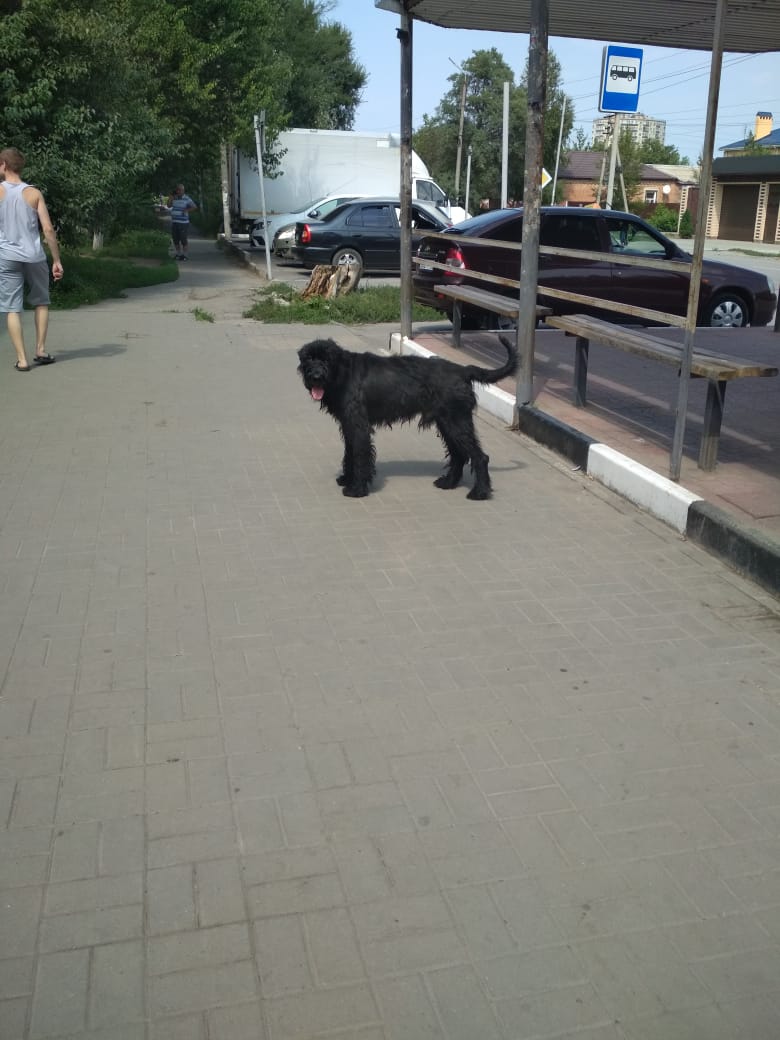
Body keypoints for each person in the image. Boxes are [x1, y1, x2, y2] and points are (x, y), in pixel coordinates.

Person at [0, 147, 63, 371]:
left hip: (7, 256)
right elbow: (48, 229)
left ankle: (22, 360)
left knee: (12, 308)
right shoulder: (34, 193)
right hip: (34, 256)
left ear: (4, 165)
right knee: (41, 301)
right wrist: (56, 260)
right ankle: (41, 350)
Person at [167, 183, 197, 261]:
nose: (179, 191)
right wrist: (170, 198)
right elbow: (169, 206)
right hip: (175, 222)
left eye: (180, 190)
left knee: (183, 239)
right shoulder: (174, 198)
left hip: (183, 223)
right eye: (177, 190)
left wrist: (186, 210)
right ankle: (178, 254)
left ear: (183, 191)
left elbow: (194, 206)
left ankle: (185, 255)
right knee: (175, 239)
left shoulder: (187, 198)